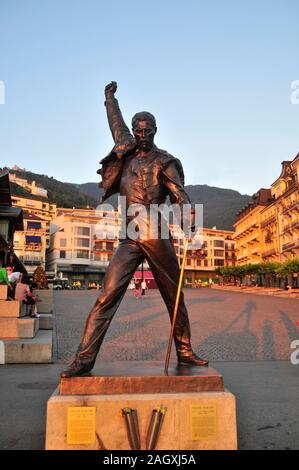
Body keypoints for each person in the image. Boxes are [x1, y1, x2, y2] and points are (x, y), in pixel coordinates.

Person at [61, 82, 208, 378]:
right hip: (128, 235)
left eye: (147, 131)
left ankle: (184, 350)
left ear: (155, 130)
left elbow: (180, 195)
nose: (141, 136)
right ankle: (84, 359)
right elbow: (114, 122)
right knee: (107, 295)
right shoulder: (125, 150)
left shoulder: (165, 161)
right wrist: (109, 98)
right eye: (137, 131)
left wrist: (189, 216)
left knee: (173, 296)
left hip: (156, 233)